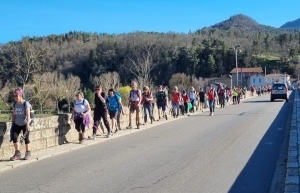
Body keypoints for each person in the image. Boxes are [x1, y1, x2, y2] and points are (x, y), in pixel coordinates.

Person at [10, 88, 32, 161]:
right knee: (14, 137)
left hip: (25, 124)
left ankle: (28, 153)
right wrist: (12, 123)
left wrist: (28, 124)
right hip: (16, 124)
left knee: (26, 138)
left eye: (16, 95)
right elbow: (13, 114)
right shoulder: (15, 104)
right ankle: (17, 153)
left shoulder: (26, 104)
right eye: (14, 96)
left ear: (20, 95)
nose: (15, 97)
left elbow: (28, 116)